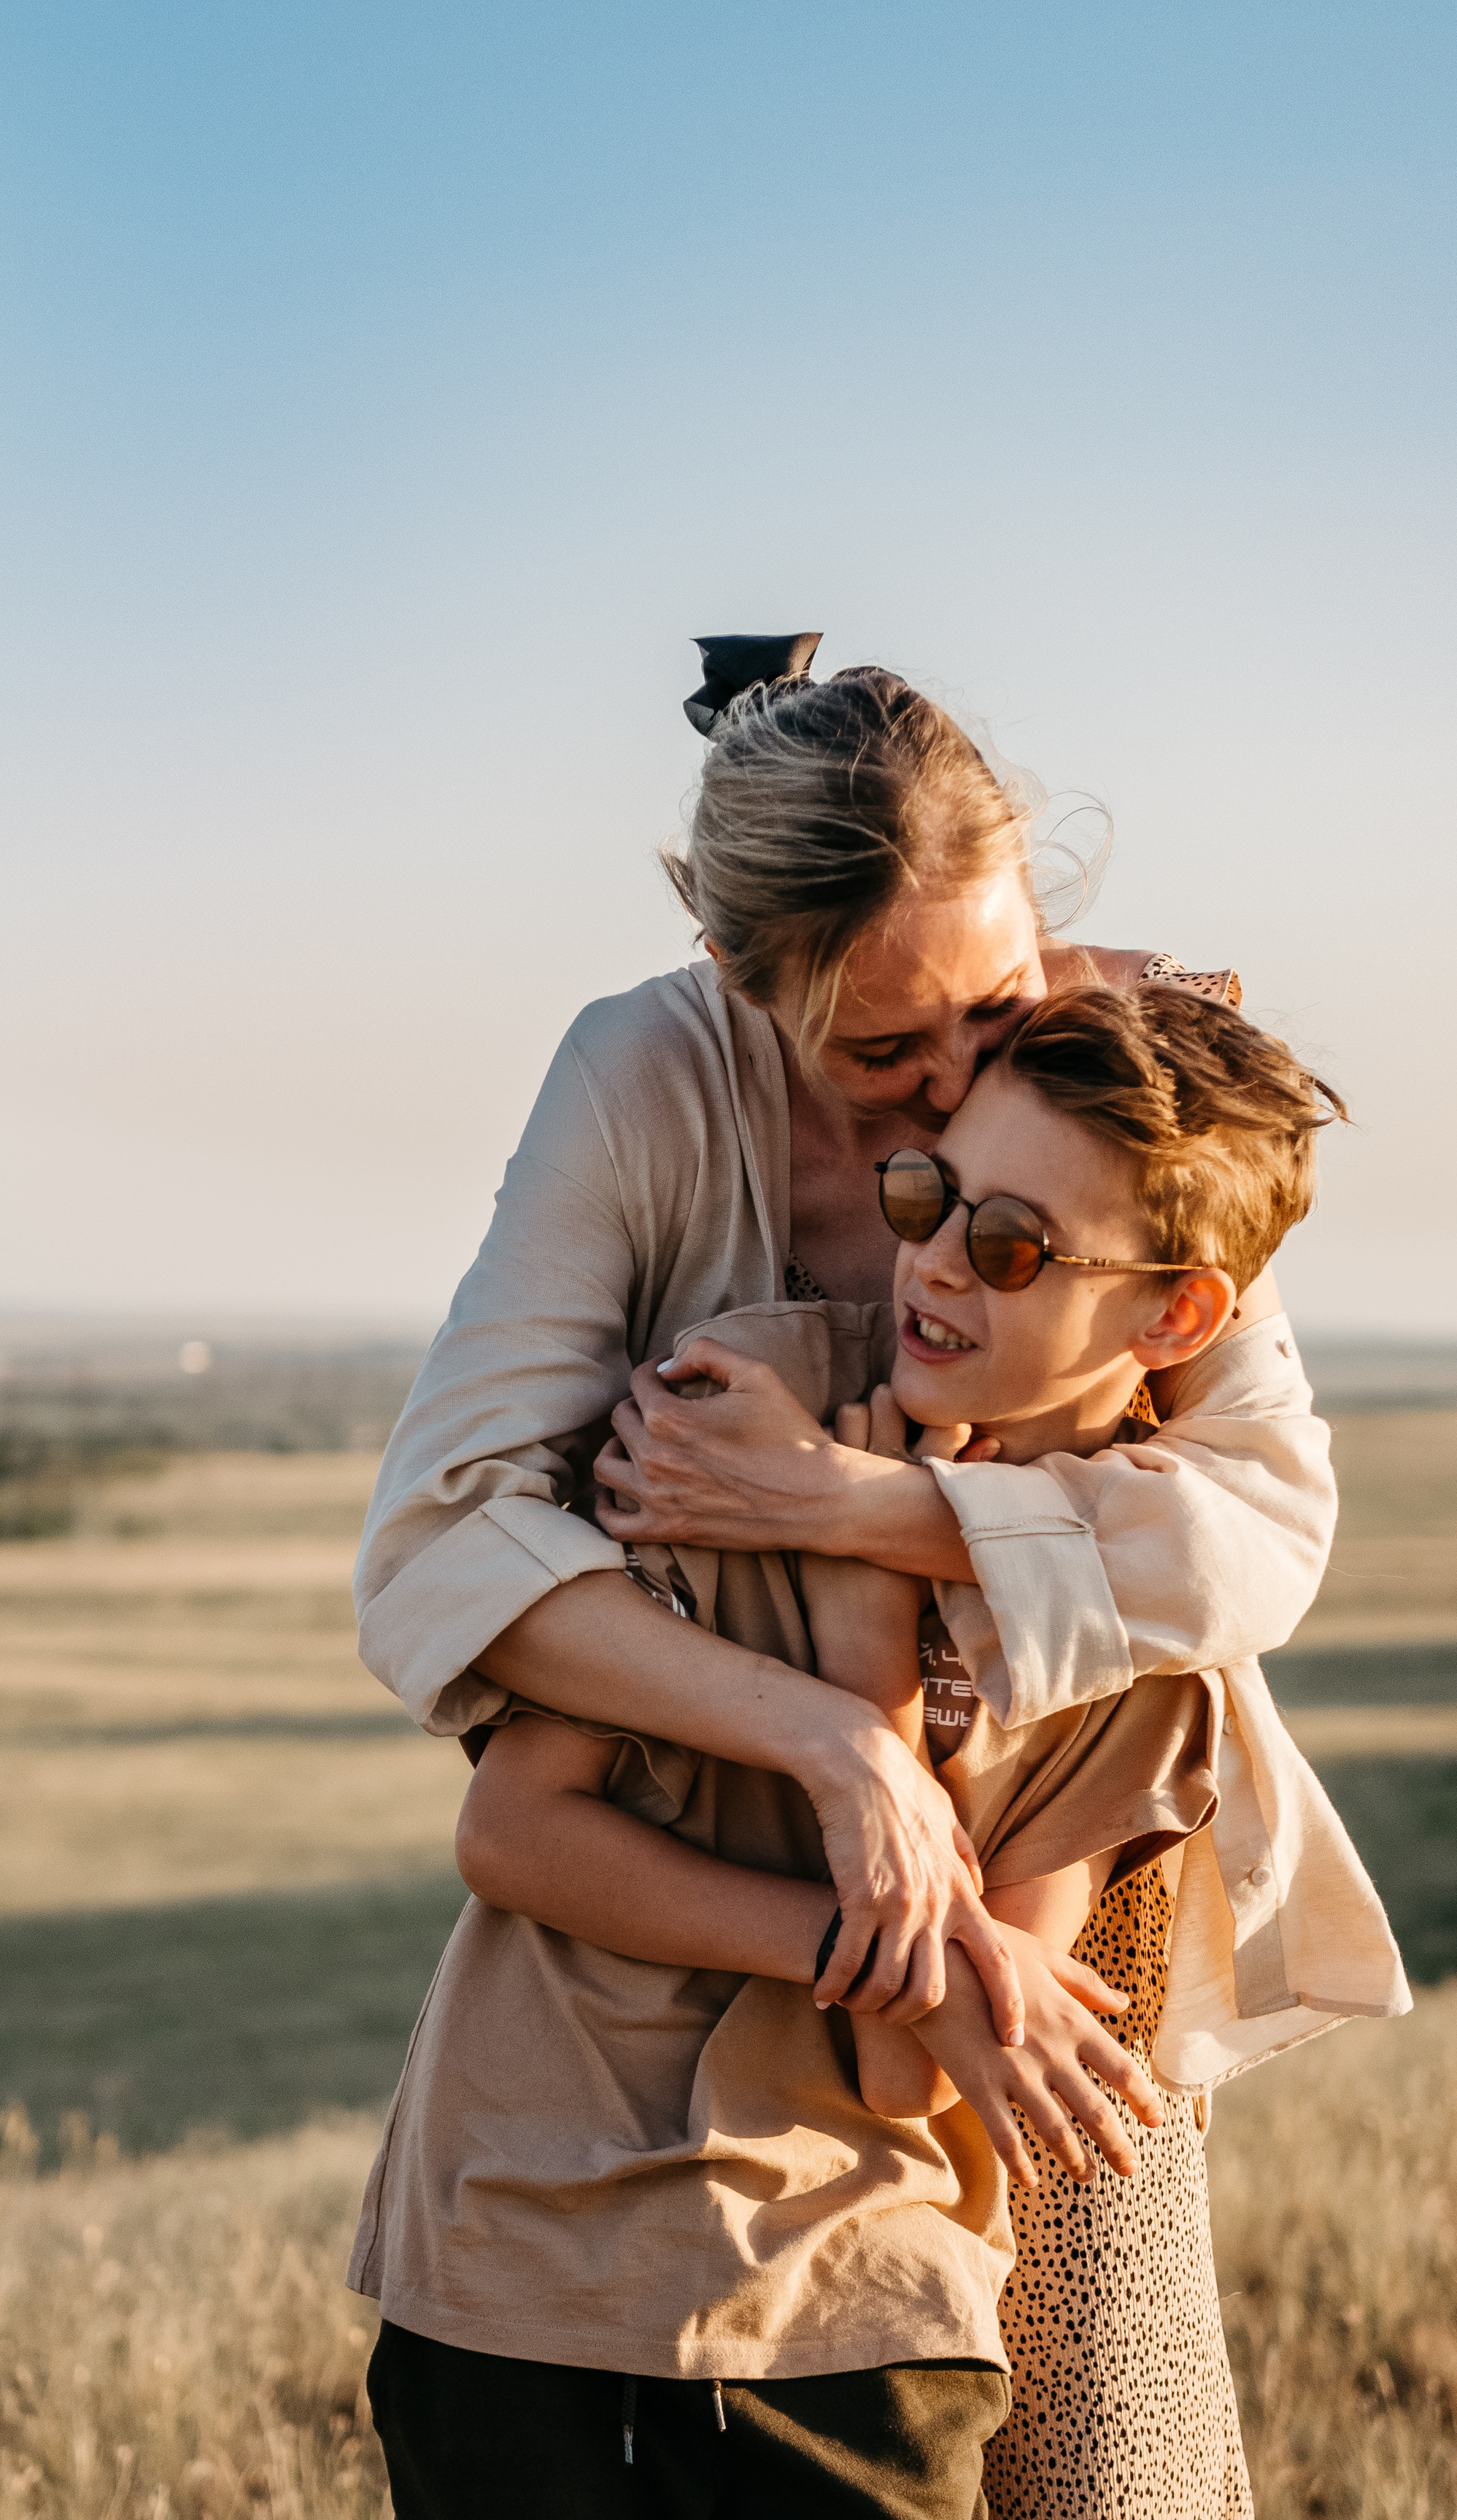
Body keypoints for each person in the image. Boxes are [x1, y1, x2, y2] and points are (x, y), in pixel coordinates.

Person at [351, 656, 1387, 2504]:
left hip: (1041, 1868)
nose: (940, 1103)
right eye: (878, 1059)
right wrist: (841, 1747)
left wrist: (848, 1508)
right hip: (672, 1950)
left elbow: (1261, 1522)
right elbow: (441, 1547)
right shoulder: (649, 1083)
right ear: (749, 997)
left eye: (989, 1003)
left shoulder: (1110, 1079)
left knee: (1107, 2473)